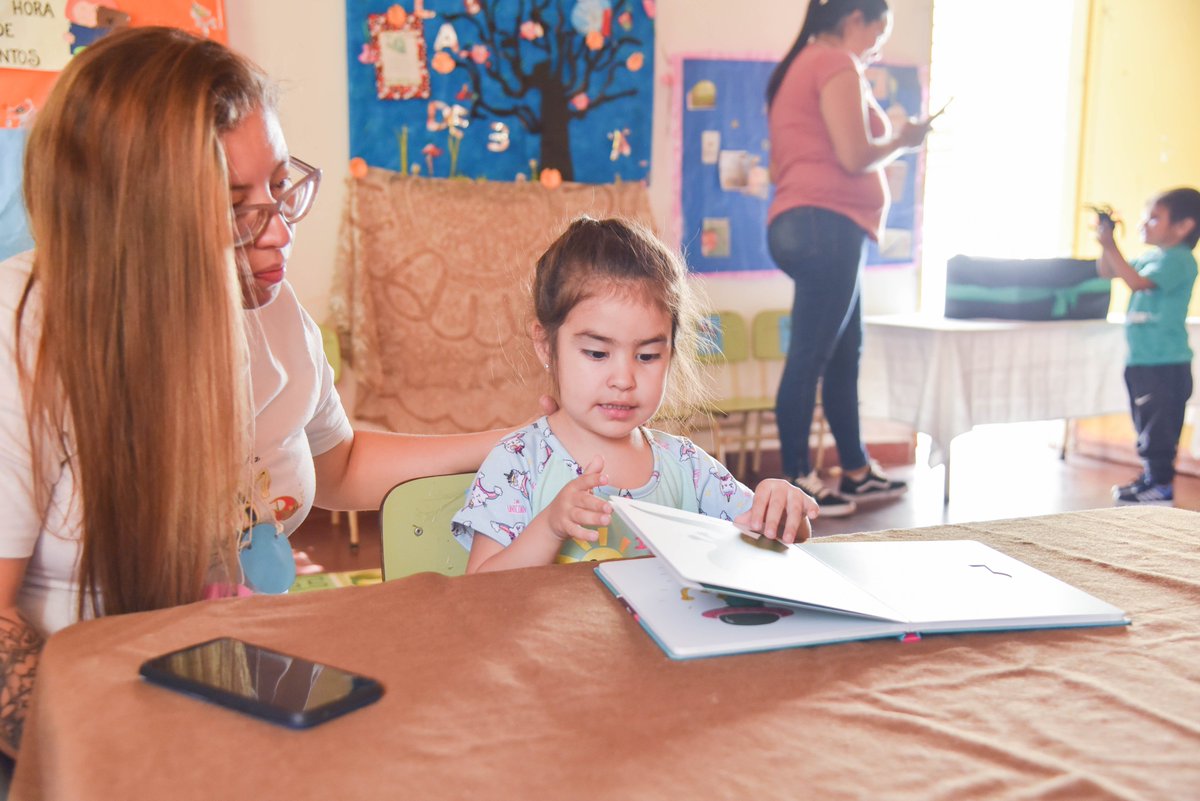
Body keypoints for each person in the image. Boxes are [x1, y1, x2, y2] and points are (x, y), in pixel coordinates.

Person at [0, 27, 521, 756]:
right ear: (130, 221)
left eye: (280, 186)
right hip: (97, 729)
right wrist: (112, 744)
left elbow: (335, 465)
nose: (278, 231)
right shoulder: (23, 335)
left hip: (242, 677)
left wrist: (506, 442)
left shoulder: (271, 311)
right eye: (236, 205)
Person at [450, 216, 818, 574]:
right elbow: (482, 590)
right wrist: (548, 529)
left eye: (647, 356)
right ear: (546, 346)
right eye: (597, 353)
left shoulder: (686, 465)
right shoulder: (519, 462)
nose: (624, 379)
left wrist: (785, 512)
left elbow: (775, 538)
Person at [765, 0, 931, 517]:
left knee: (842, 352)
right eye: (879, 31)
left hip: (814, 224)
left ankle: (855, 470)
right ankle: (797, 478)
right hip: (825, 225)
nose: (879, 44)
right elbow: (855, 155)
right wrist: (903, 141)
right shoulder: (834, 63)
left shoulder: (800, 66)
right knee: (812, 357)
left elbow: (780, 166)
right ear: (854, 19)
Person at [1095, 188, 1200, 505]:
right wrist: (1105, 243)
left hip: (1166, 364)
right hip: (1142, 360)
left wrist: (1112, 245)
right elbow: (1108, 270)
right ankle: (1151, 478)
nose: (1145, 222)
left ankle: (1162, 485)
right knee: (1144, 424)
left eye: (1154, 217)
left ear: (1183, 227)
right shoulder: (1151, 258)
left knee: (1160, 428)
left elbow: (1137, 282)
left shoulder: (1179, 260)